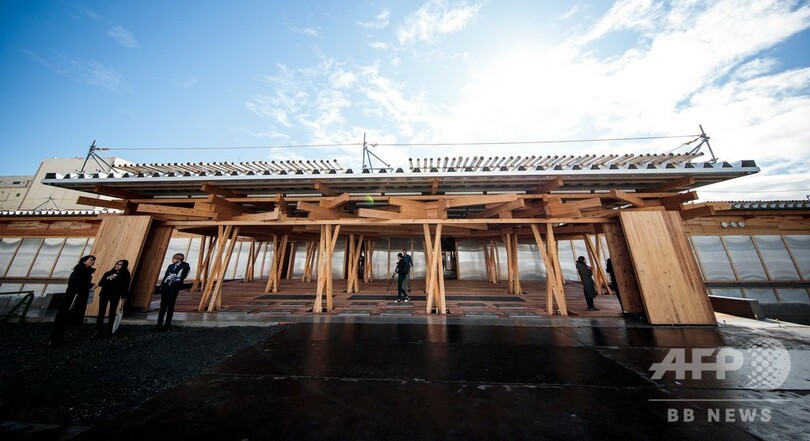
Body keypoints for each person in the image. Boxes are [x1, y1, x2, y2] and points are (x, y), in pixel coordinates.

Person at [49, 255, 96, 346]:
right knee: (64, 316)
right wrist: (89, 285)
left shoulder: (86, 272)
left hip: (78, 296)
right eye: (90, 260)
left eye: (93, 260)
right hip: (72, 297)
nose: (92, 262)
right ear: (84, 261)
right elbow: (74, 283)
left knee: (67, 317)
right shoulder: (79, 271)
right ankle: (54, 338)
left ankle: (58, 337)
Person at [153, 253, 190, 332]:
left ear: (178, 259)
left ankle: (167, 325)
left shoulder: (185, 265)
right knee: (163, 305)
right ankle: (159, 325)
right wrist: (162, 285)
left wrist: (175, 275)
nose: (172, 260)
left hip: (174, 286)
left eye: (174, 258)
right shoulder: (170, 266)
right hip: (166, 286)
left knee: (170, 305)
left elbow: (183, 274)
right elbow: (166, 275)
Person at [93, 260, 131, 338]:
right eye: (117, 264)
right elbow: (101, 283)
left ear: (124, 266)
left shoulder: (125, 275)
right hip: (104, 294)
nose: (117, 265)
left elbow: (126, 286)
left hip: (115, 295)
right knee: (101, 312)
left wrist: (124, 296)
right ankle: (98, 330)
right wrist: (108, 278)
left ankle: (110, 330)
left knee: (112, 312)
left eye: (120, 264)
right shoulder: (108, 273)